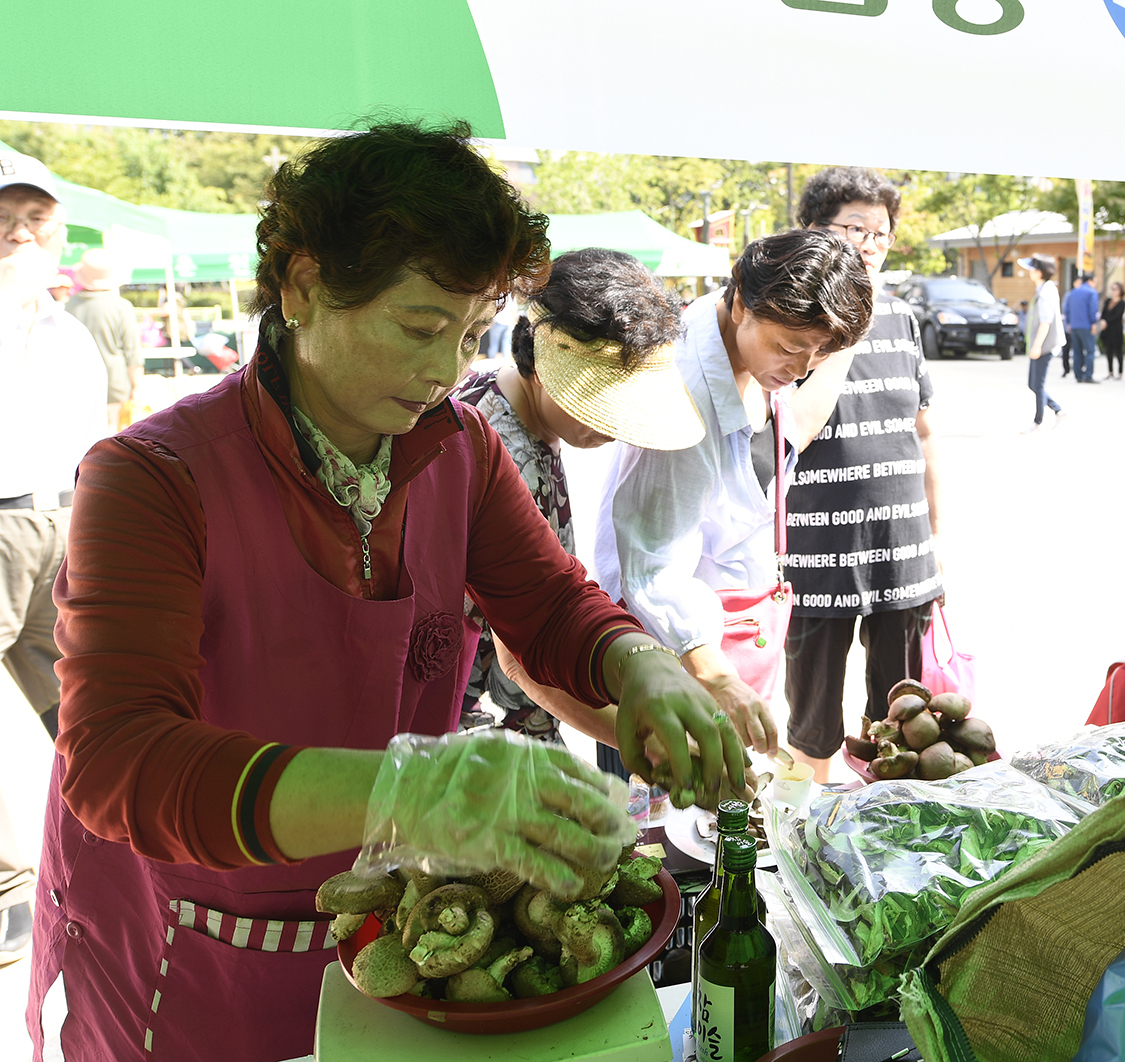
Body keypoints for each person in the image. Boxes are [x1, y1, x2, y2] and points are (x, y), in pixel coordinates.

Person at [25, 122, 745, 1062]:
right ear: (302, 286)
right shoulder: (151, 477)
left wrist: (640, 663)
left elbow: (551, 602)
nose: (446, 369)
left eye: (469, 332)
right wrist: (412, 788)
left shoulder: (459, 449)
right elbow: (119, 760)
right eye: (418, 327)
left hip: (391, 935)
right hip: (183, 945)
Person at [596, 229, 873, 759]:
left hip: (728, 637)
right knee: (669, 832)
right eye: (789, 349)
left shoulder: (746, 344)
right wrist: (717, 677)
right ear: (742, 301)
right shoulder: (685, 395)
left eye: (816, 354)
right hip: (671, 660)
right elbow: (650, 566)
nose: (798, 371)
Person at [450, 247, 704, 766]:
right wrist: (651, 747)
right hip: (478, 721)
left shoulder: (505, 401)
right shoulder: (500, 451)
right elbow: (521, 657)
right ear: (543, 367)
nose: (613, 427)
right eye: (602, 404)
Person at [781, 167, 944, 782]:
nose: (872, 245)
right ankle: (808, 833)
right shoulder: (794, 319)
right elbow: (788, 428)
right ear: (815, 232)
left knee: (902, 723)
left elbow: (923, 432)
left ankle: (883, 834)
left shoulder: (902, 319)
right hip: (819, 553)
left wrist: (936, 543)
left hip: (903, 551)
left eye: (882, 233)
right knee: (812, 717)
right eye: (857, 229)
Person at [0, 150, 108, 969]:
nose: (20, 236)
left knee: (82, 706)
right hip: (2, 522)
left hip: (68, 521)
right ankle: (10, 890)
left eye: (34, 219)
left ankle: (94, 858)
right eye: (4, 220)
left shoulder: (71, 330)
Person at [66, 249, 142, 431]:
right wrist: (137, 386)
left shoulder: (67, 306)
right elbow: (132, 353)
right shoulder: (121, 306)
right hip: (115, 381)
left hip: (77, 380)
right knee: (115, 435)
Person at [1020, 254, 1065, 431]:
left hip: (1045, 345)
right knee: (1033, 383)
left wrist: (1037, 345)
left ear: (1039, 272)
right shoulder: (1045, 288)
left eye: (1032, 269)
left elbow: (1045, 321)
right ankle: (1058, 410)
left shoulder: (1045, 292)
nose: (1029, 272)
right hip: (1043, 344)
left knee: (1037, 384)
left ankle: (1038, 421)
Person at [1064, 271, 1100, 382]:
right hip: (1086, 326)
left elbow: (1067, 310)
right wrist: (1094, 323)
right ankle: (1088, 376)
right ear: (1090, 280)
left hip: (1074, 326)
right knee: (1089, 351)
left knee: (1077, 352)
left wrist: (1069, 323)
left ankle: (1078, 375)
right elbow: (1093, 309)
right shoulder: (1091, 292)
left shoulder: (1073, 292)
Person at [1099, 281, 1125, 379]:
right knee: (1108, 351)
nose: (1113, 291)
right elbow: (1103, 313)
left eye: (1116, 289)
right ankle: (1110, 371)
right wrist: (1102, 320)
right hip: (1107, 331)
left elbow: (1117, 316)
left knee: (1118, 352)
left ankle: (1120, 372)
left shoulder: (1122, 302)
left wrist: (1106, 321)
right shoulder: (1108, 301)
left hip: (1116, 330)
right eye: (1112, 289)